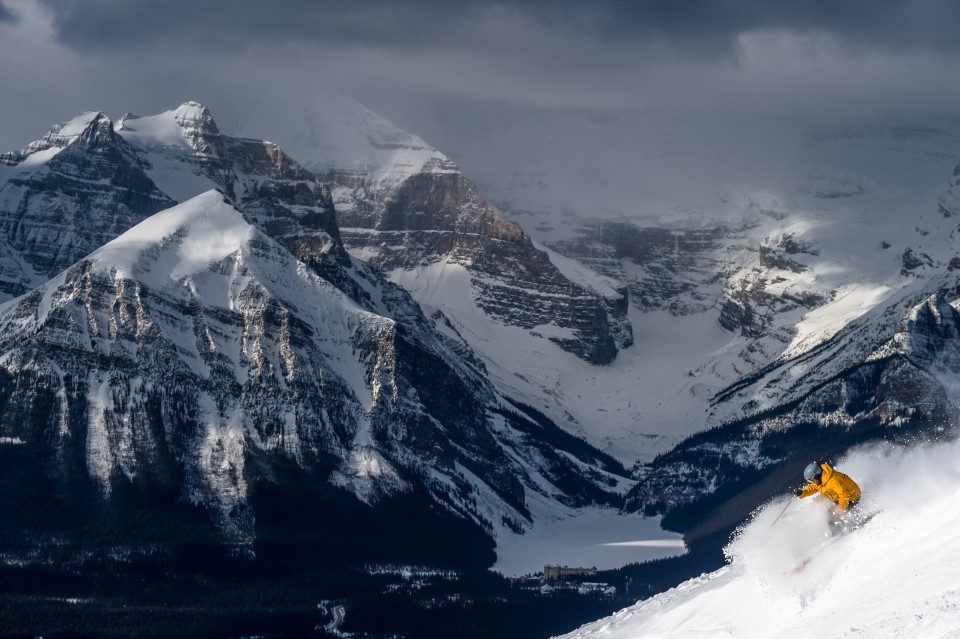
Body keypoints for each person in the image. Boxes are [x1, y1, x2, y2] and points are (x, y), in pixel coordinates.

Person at [794, 461, 861, 522]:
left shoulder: (833, 481)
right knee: (827, 512)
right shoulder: (821, 480)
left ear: (816, 476)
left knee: (833, 517)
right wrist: (802, 493)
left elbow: (844, 496)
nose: (812, 483)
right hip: (837, 497)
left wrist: (839, 511)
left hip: (852, 498)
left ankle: (854, 522)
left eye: (811, 481)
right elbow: (813, 487)